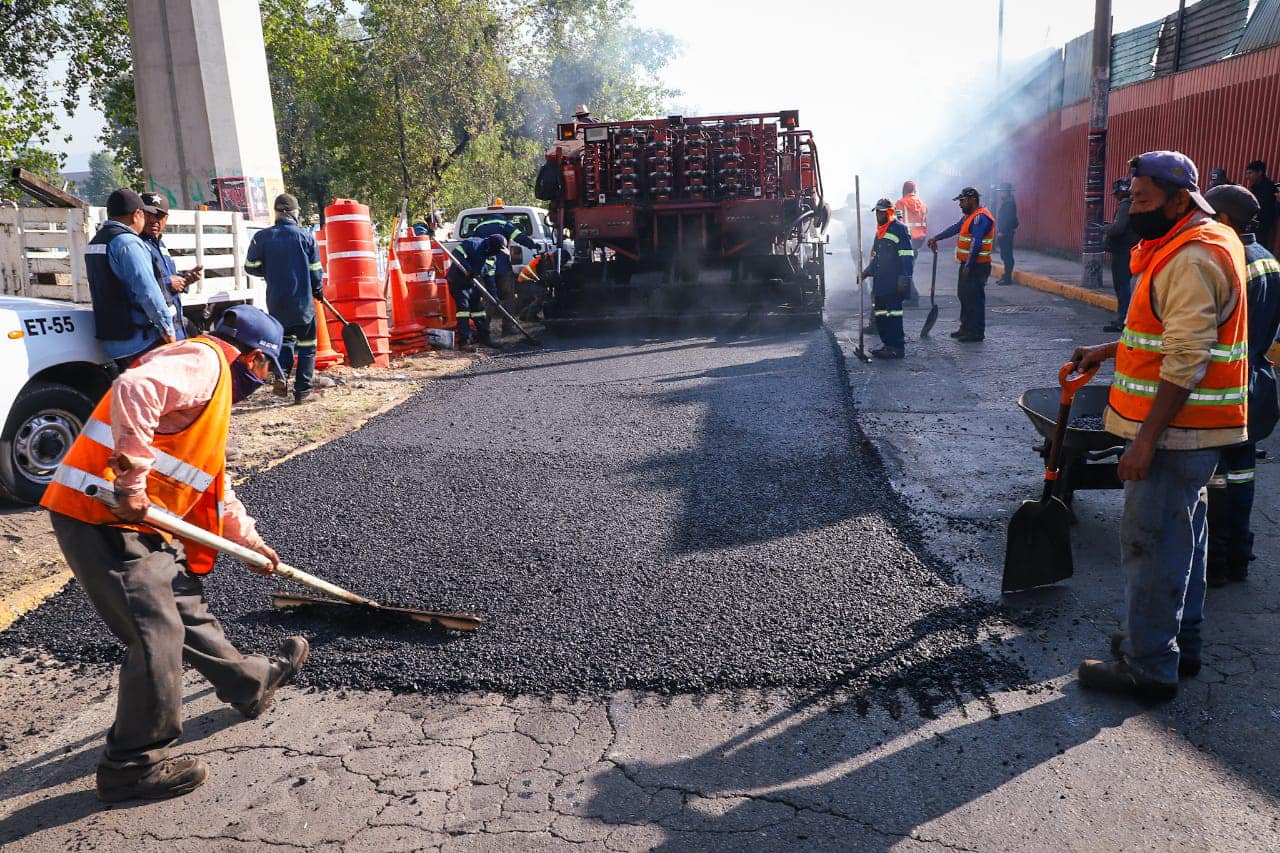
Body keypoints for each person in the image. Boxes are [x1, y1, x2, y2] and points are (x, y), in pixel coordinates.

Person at [39, 305, 309, 802]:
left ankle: (251, 683)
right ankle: (132, 766)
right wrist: (132, 479)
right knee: (155, 634)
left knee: (185, 604)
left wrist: (248, 543)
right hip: (100, 514)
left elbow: (212, 486)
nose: (266, 376)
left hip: (139, 522)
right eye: (269, 366)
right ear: (254, 357)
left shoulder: (213, 397)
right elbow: (133, 387)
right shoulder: (206, 361)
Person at [1071, 150, 1248, 702]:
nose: (1131, 209)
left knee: (1150, 545)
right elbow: (1166, 332)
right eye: (1129, 198)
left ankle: (1149, 667)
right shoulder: (1199, 240)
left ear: (1178, 200)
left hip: (1175, 434)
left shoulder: (1191, 257)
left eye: (1142, 200)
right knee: (1185, 537)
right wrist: (1109, 349)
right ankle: (1179, 643)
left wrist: (1144, 441)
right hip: (1195, 432)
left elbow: (1187, 357)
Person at [1203, 184, 1280, 586]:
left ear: (1225, 220)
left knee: (1216, 477)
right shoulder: (1267, 259)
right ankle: (1237, 556)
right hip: (1256, 382)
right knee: (1242, 475)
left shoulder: (1231, 261)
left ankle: (1214, 562)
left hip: (1227, 385)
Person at [244, 193, 328, 404]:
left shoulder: (262, 237)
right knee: (308, 346)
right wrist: (317, 290)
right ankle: (302, 392)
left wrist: (270, 270)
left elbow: (250, 267)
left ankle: (281, 377)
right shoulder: (306, 236)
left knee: (285, 342)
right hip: (303, 304)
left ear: (277, 212)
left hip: (277, 303)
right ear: (294, 213)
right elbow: (315, 271)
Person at [86, 188, 177, 372]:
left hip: (114, 340)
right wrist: (168, 330)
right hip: (140, 340)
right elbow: (148, 292)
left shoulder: (96, 242)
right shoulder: (128, 242)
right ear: (137, 214)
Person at [928, 187, 994, 342]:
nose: (960, 205)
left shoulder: (980, 217)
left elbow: (976, 244)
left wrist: (969, 266)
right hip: (968, 263)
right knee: (963, 295)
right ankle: (966, 327)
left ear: (972, 200)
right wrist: (936, 238)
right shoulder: (969, 216)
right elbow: (954, 228)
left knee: (974, 298)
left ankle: (976, 332)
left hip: (977, 266)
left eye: (962, 201)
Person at [139, 192, 203, 340]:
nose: (154, 220)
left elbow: (167, 277)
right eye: (149, 214)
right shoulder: (136, 245)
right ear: (139, 214)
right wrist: (169, 283)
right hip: (153, 330)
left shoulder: (160, 244)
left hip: (174, 324)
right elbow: (138, 283)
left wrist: (186, 280)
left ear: (166, 219)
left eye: (160, 216)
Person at [469, 203, 538, 335]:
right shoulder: (505, 224)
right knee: (508, 297)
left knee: (487, 299)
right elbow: (520, 237)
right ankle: (507, 328)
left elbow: (474, 245)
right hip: (502, 268)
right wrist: (533, 245)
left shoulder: (479, 227)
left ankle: (484, 330)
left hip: (485, 268)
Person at [859, 198, 914, 359]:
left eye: (881, 212)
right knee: (881, 314)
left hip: (893, 282)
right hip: (880, 282)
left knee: (893, 315)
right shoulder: (880, 231)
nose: (878, 215)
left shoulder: (899, 229)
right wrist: (867, 272)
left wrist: (905, 279)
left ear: (889, 212)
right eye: (876, 211)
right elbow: (877, 257)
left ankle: (897, 347)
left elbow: (907, 256)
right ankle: (887, 345)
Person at [446, 234, 509, 352]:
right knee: (464, 310)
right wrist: (468, 269)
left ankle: (485, 339)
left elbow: (490, 280)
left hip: (472, 284)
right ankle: (464, 342)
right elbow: (456, 254)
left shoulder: (492, 259)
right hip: (458, 281)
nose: (498, 253)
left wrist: (494, 296)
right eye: (498, 250)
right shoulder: (474, 244)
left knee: (479, 311)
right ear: (492, 246)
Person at [1102, 178, 1140, 333]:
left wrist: (1105, 228)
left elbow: (1118, 229)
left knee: (1122, 285)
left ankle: (1123, 320)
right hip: (1130, 249)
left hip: (1123, 251)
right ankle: (1124, 318)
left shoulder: (1125, 205)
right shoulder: (1135, 204)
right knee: (1124, 285)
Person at [895, 180, 928, 306]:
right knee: (908, 267)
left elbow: (897, 222)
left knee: (904, 268)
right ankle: (909, 296)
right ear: (915, 191)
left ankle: (912, 297)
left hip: (906, 240)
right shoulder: (923, 205)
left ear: (904, 190)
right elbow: (924, 223)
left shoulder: (900, 204)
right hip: (918, 240)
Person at [1244, 160, 1277, 250]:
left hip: (1262, 226)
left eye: (1250, 173)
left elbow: (1262, 208)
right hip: (1253, 226)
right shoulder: (1254, 187)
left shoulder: (1268, 188)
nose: (1247, 177)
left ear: (1260, 173)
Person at [994, 182, 1019, 286]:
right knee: (1005, 255)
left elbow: (1008, 220)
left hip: (1006, 233)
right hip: (1006, 232)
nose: (1000, 194)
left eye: (1002, 191)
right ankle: (1006, 275)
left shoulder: (1009, 204)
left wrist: (1002, 231)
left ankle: (1007, 278)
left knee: (1007, 255)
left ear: (1006, 192)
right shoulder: (1008, 202)